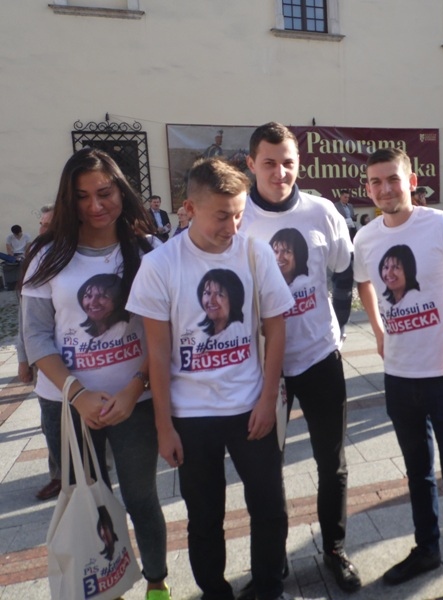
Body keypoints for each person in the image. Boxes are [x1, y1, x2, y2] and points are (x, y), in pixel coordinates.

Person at [127, 157, 294, 600]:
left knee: (270, 507)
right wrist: (164, 427)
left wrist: (267, 399)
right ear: (189, 209)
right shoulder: (161, 264)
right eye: (222, 216)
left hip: (250, 407)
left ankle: (268, 587)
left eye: (239, 214)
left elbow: (276, 327)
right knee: (204, 517)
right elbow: (157, 352)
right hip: (191, 415)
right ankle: (215, 591)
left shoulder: (254, 252)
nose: (232, 227)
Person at [21, 147, 170, 599]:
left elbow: (163, 332)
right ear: (69, 200)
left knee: (142, 498)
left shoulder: (148, 251)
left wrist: (135, 387)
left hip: (135, 402)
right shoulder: (46, 256)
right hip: (67, 406)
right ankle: (106, 586)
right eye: (82, 196)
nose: (96, 205)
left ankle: (157, 583)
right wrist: (77, 394)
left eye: (104, 192)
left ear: (121, 190)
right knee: (90, 503)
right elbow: (36, 336)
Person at [354, 147, 443, 600]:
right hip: (399, 377)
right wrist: (377, 329)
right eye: (376, 182)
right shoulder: (366, 238)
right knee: (418, 474)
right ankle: (427, 549)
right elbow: (363, 281)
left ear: (411, 181)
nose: (384, 189)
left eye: (393, 179)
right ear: (368, 189)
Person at [240, 122, 361, 594]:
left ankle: (334, 548)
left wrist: (340, 328)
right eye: (269, 163)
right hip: (260, 368)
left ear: (299, 164)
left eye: (288, 162)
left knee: (332, 463)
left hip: (318, 356)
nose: (280, 172)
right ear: (251, 164)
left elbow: (344, 271)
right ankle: (271, 567)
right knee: (265, 472)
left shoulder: (322, 211)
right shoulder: (239, 216)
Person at [16, 204, 61, 500]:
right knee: (51, 425)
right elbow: (25, 315)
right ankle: (58, 475)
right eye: (42, 224)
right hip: (44, 359)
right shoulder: (35, 257)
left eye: (48, 224)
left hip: (74, 357)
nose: (42, 229)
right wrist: (23, 358)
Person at [330, 191, 356, 334]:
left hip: (350, 230)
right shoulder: (335, 206)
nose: (346, 199)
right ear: (340, 197)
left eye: (348, 197)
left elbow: (352, 216)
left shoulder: (350, 206)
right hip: (340, 233)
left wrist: (352, 219)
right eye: (345, 197)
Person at [196, 269, 245, 336]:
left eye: (219, 295)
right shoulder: (208, 335)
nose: (211, 301)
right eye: (207, 293)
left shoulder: (238, 334)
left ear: (234, 299)